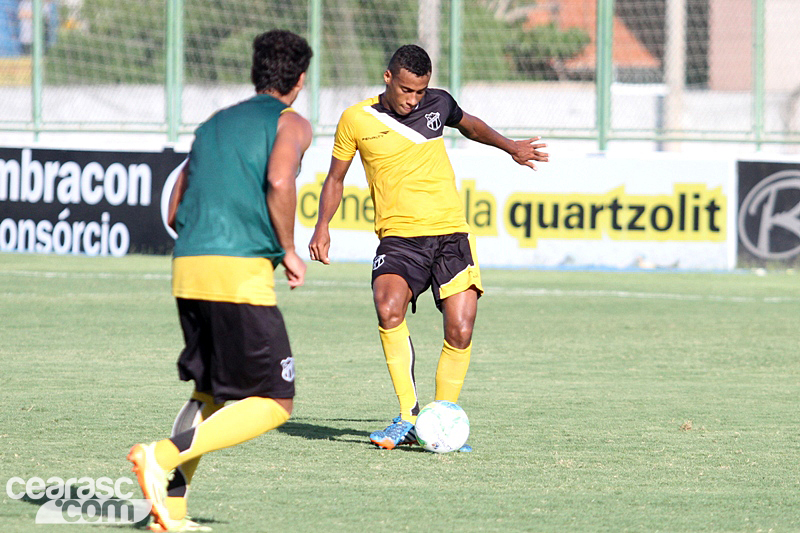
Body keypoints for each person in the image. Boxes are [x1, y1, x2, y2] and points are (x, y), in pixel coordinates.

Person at [308, 44, 548, 451]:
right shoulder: (356, 119)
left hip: (452, 234)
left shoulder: (438, 103)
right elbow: (335, 178)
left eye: (420, 91)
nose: (413, 99)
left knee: (461, 329)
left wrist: (512, 147)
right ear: (388, 78)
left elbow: (470, 126)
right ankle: (407, 416)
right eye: (406, 90)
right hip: (400, 237)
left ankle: (439, 422)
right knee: (388, 306)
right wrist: (322, 226)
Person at [127, 29, 313, 533]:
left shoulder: (212, 124)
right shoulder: (292, 122)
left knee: (209, 391)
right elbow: (280, 180)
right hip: (239, 272)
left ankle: (170, 513)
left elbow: (174, 208)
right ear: (299, 79)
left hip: (188, 265)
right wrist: (288, 249)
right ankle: (160, 455)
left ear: (255, 73)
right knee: (276, 401)